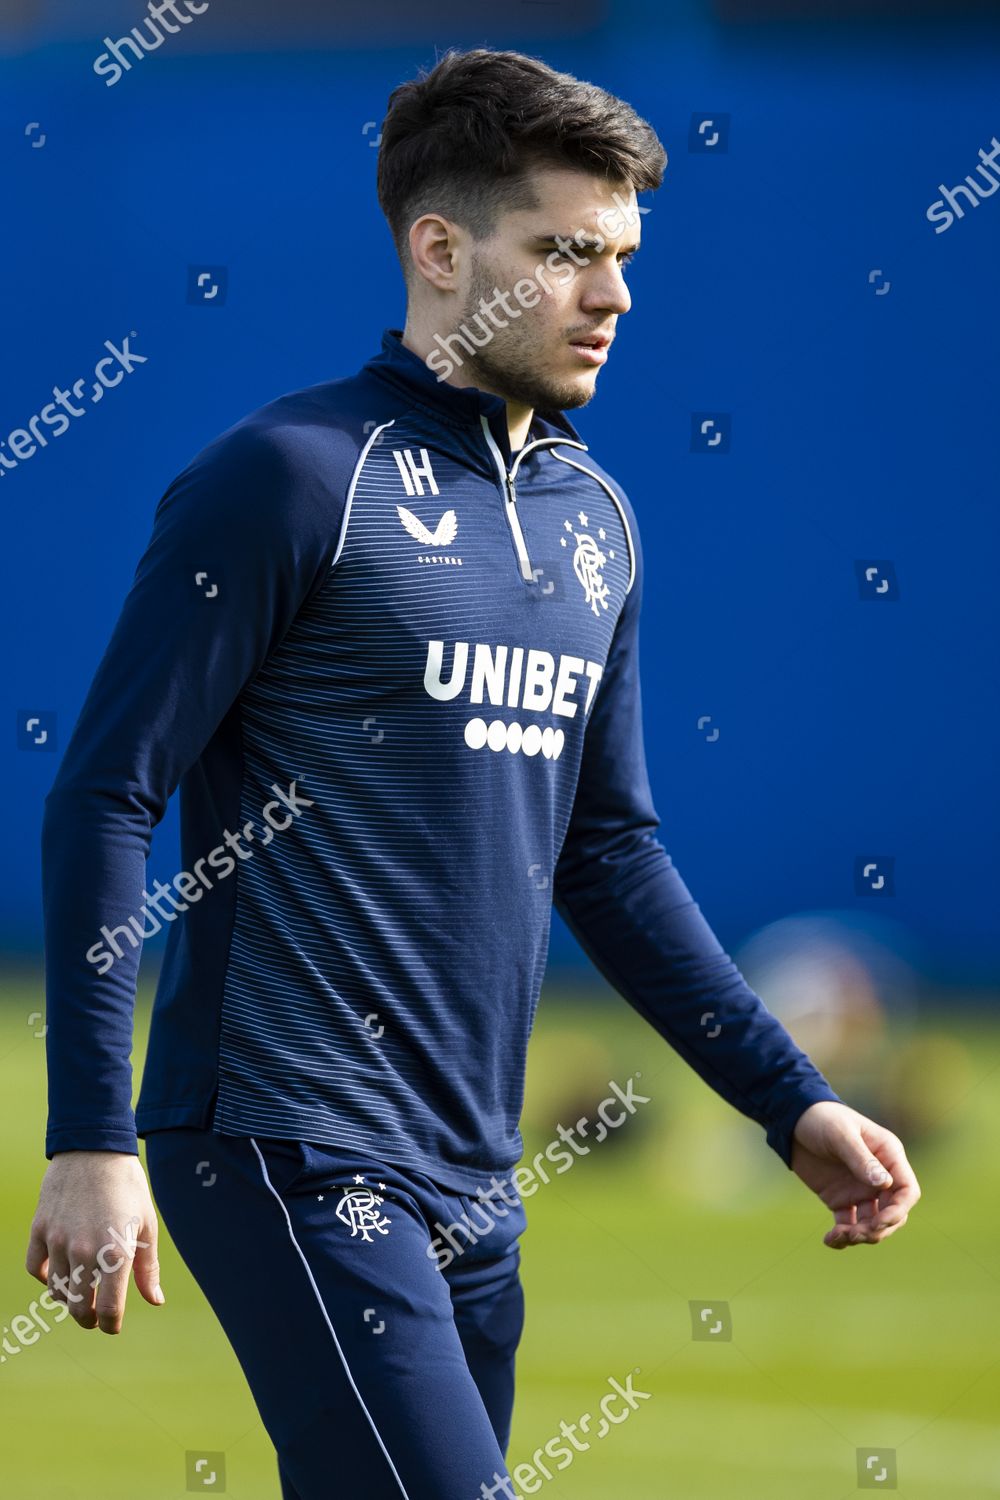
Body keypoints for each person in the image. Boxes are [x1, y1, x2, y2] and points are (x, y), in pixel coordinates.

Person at [25, 46, 920, 1500]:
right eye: (566, 252)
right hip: (281, 1140)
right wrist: (89, 1139)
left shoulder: (597, 520)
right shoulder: (294, 477)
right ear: (442, 249)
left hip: (473, 1174)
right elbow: (108, 794)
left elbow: (609, 853)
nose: (613, 295)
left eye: (622, 255)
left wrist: (791, 1100)